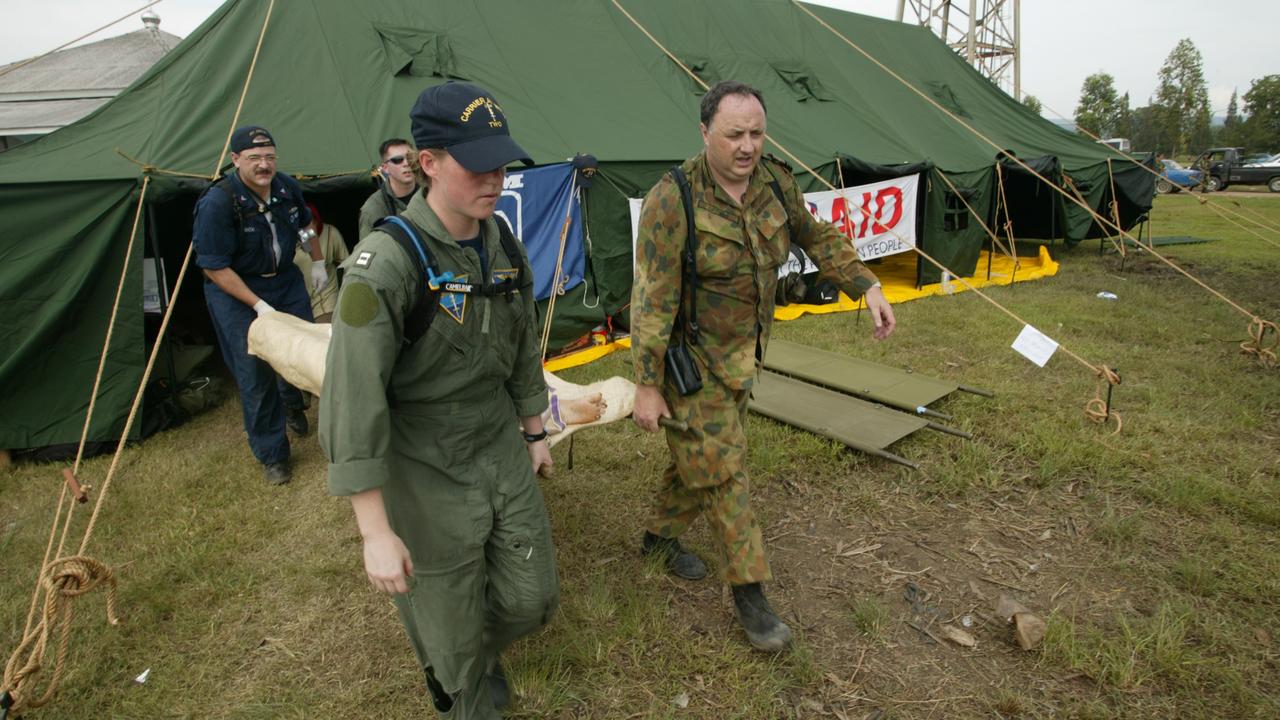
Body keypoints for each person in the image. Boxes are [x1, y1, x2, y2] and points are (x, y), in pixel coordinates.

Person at [630, 80, 897, 652]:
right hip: (691, 365)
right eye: (734, 135)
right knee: (727, 474)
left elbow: (814, 233)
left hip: (745, 358)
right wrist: (647, 386)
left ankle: (657, 539)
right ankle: (751, 597)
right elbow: (651, 299)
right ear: (705, 134)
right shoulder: (672, 199)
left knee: (700, 457)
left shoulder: (776, 181)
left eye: (756, 132)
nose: (747, 146)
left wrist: (865, 283)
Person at [320, 82, 557, 718]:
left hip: (496, 439)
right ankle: (459, 684)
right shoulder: (386, 262)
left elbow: (521, 337)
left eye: (501, 164)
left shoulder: (500, 240)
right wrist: (373, 530)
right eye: (478, 165)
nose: (496, 178)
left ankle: (470, 654)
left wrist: (534, 430)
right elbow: (352, 396)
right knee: (451, 641)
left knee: (533, 597)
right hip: (422, 459)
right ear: (428, 163)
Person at [193, 124, 326, 485]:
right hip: (237, 290)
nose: (263, 165)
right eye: (254, 158)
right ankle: (273, 454)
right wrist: (258, 305)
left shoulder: (285, 186)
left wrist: (316, 261)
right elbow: (213, 267)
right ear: (236, 160)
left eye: (269, 156)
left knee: (305, 350)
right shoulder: (219, 202)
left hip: (285, 281)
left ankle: (294, 404)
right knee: (254, 372)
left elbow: (306, 225)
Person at [291, 202, 349, 322]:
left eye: (311, 223)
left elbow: (347, 266)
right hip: (297, 305)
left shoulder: (330, 233)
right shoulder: (288, 240)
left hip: (326, 302)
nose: (308, 228)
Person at [358, 137, 419, 240]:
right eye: (397, 160)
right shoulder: (373, 210)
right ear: (385, 168)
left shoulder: (432, 192)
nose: (406, 163)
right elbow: (370, 252)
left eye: (409, 157)